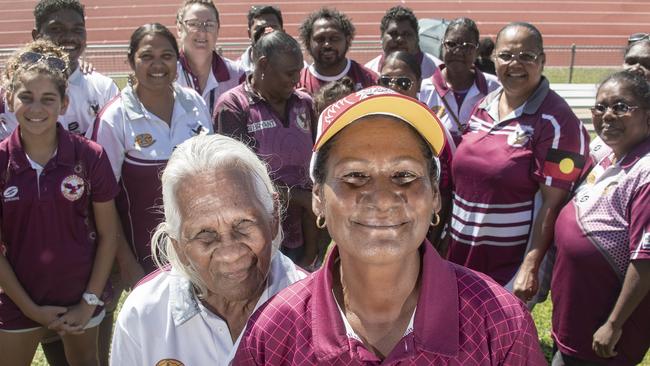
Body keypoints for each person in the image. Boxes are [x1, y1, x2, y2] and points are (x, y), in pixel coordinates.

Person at [232, 86, 547, 365]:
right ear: (318, 198)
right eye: (355, 176)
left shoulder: (500, 323)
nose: (382, 199)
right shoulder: (273, 332)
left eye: (404, 175)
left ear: (435, 196)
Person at [110, 134, 306, 366]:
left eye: (244, 224)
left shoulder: (313, 314)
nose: (230, 254)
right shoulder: (145, 315)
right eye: (205, 234)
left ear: (273, 218)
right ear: (179, 246)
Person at [445, 22, 590, 305]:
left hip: (509, 265)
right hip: (464, 252)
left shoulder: (558, 121)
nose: (516, 64)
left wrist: (531, 264)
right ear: (493, 59)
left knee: (499, 341)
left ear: (543, 60)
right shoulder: (484, 105)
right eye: (507, 56)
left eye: (527, 56)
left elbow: (553, 203)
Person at [0, 40, 119, 366]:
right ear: (10, 99)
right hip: (17, 301)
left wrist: (88, 301)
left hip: (80, 298)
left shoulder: (90, 156)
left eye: (48, 99)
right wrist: (29, 309)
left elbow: (109, 235)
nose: (36, 108)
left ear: (64, 104)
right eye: (26, 97)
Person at [88, 23, 212, 275]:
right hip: (145, 257)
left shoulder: (194, 103)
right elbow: (103, 201)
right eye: (146, 56)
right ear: (131, 61)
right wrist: (127, 263)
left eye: (166, 56)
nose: (157, 65)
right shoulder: (115, 118)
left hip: (199, 249)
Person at [549, 71, 650, 366]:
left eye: (621, 107)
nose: (608, 115)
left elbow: (645, 259)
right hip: (577, 318)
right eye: (601, 107)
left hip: (607, 334)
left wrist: (614, 324)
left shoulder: (646, 172)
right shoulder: (603, 151)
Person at [214, 30, 321, 268]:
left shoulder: (304, 104)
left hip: (306, 231)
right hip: (257, 234)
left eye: (299, 71)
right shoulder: (234, 107)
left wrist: (312, 245)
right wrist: (299, 198)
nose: (297, 79)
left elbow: (316, 166)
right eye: (290, 73)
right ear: (263, 64)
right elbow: (238, 179)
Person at [1, 0, 119, 141]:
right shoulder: (13, 90)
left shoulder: (104, 88)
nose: (69, 37)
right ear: (36, 36)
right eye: (56, 29)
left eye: (77, 29)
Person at [378, 51, 456, 247]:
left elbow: (445, 192)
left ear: (419, 83)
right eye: (386, 81)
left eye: (404, 82)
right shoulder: (368, 124)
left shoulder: (435, 129)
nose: (394, 88)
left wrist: (434, 243)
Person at [419, 18, 500, 144]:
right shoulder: (424, 89)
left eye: (467, 46)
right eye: (451, 44)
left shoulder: (494, 88)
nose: (458, 51)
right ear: (442, 45)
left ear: (477, 50)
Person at [175, 0, 245, 114]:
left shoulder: (237, 75)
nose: (202, 32)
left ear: (217, 30)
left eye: (209, 25)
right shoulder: (167, 73)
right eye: (193, 24)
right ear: (179, 29)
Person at [298, 8, 377, 95]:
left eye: (334, 38)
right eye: (320, 39)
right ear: (308, 42)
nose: (327, 45)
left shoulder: (369, 79)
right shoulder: (297, 83)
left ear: (347, 40)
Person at [365, 6, 442, 80]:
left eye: (406, 34)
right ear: (381, 36)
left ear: (417, 38)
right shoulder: (367, 73)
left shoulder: (438, 70)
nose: (400, 39)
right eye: (393, 33)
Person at [238, 5, 283, 75]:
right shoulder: (235, 71)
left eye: (273, 27)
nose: (266, 31)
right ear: (249, 34)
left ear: (283, 33)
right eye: (259, 28)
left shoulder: (299, 68)